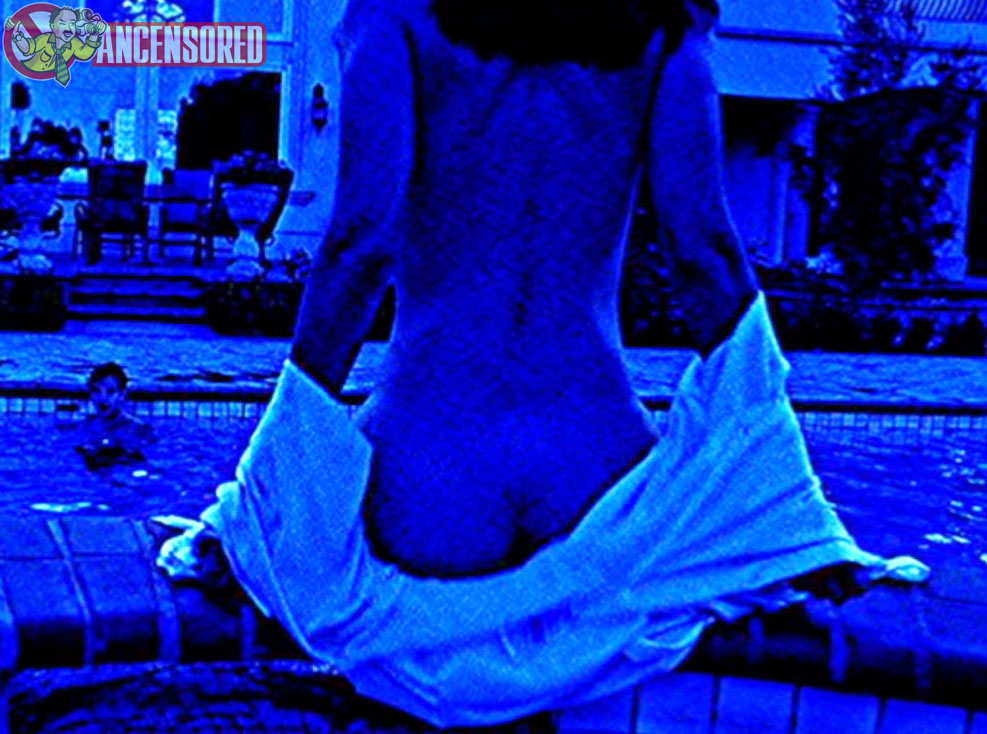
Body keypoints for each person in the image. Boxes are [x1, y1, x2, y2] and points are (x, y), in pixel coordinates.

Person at [159, 0, 928, 727]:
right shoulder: (659, 22)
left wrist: (273, 485)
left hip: (431, 473)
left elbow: (362, 244)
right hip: (593, 474)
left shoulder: (394, 13)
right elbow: (703, 253)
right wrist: (787, 504)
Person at [75, 362, 154, 469]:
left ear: (122, 395)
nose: (103, 398)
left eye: (110, 392)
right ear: (90, 393)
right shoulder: (85, 426)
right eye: (97, 391)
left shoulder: (138, 429)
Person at [4, 6, 107, 87]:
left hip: (50, 85)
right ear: (53, 27)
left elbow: (85, 54)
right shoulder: (45, 39)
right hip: (27, 75)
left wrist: (95, 34)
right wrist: (18, 37)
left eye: (72, 24)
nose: (68, 28)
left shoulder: (74, 43)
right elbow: (28, 48)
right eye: (63, 24)